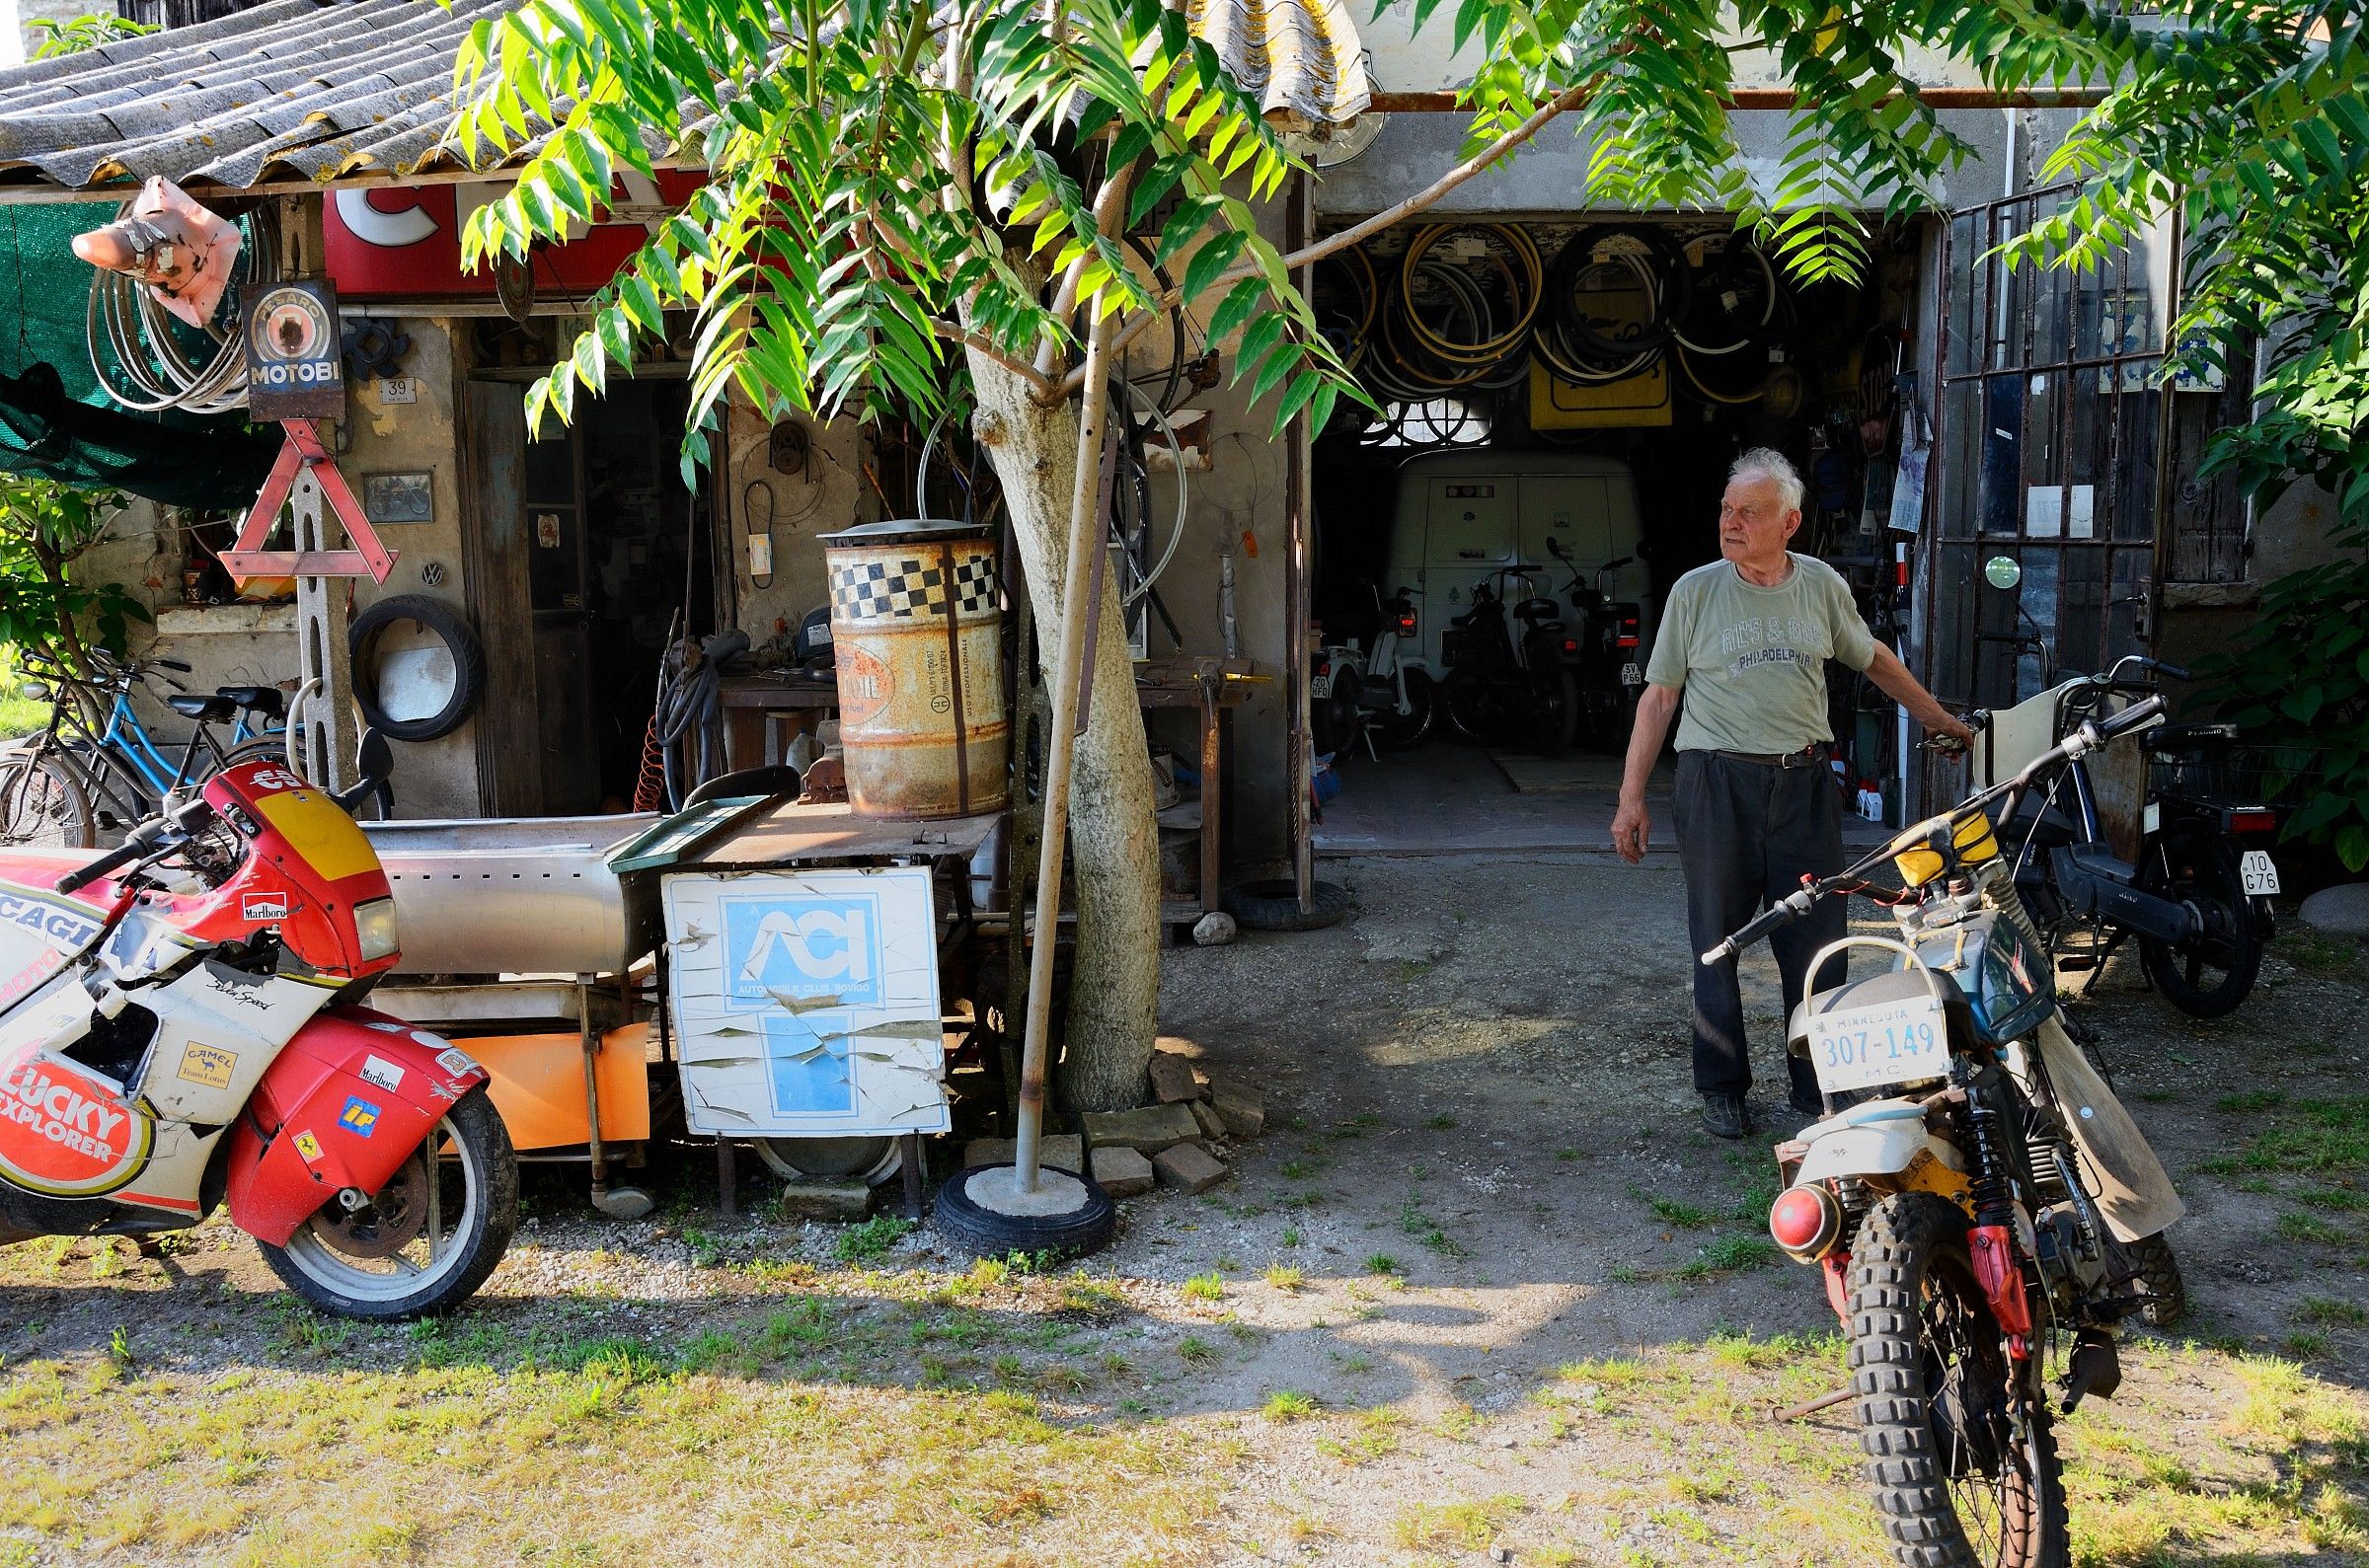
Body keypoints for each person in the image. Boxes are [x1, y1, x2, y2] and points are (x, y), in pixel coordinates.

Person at [1612, 449, 1972, 1139]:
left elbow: (1873, 658)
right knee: (1716, 940)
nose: (1731, 522)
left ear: (1791, 522)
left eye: (1748, 511)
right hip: (1716, 782)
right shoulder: (1695, 592)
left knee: (1818, 941)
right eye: (1726, 509)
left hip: (1804, 782)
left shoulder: (1820, 586)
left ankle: (1820, 1088)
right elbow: (1659, 699)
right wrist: (1631, 797)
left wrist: (1938, 719)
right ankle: (1722, 1087)